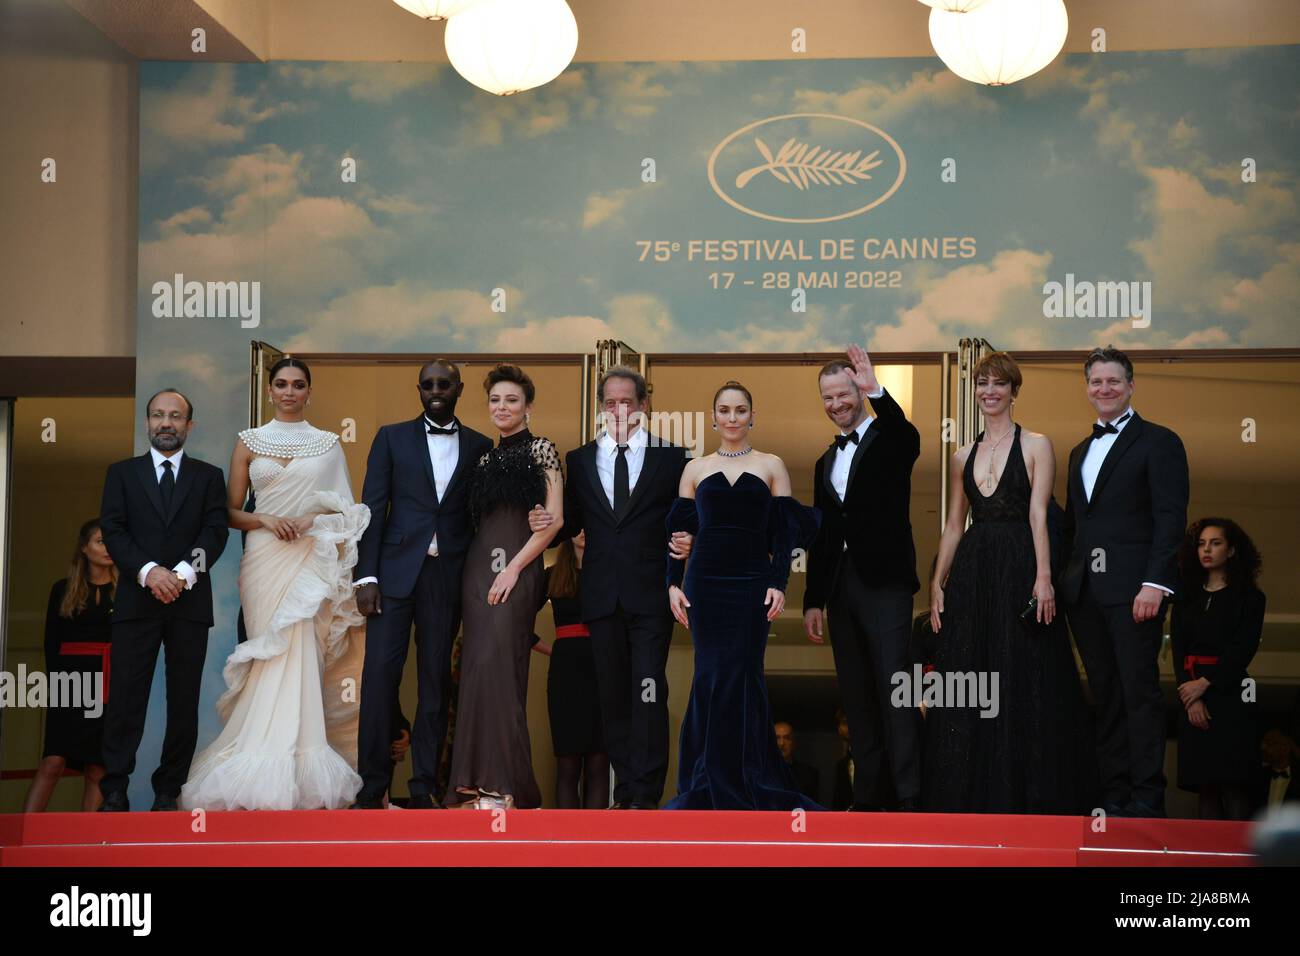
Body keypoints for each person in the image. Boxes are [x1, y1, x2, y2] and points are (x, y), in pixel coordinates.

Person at [181, 358, 370, 810]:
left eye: (298, 385)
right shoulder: (248, 442)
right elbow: (227, 512)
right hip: (264, 558)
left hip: (308, 557)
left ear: (309, 392)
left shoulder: (328, 444)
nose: (289, 391)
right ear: (269, 391)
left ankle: (296, 762)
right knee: (270, 648)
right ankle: (257, 757)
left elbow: (347, 510)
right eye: (281, 384)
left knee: (300, 649)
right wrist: (264, 517)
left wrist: (309, 518)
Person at [925, 351, 1090, 814]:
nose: (989, 391)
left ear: (1014, 391)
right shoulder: (961, 454)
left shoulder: (1038, 444)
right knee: (970, 671)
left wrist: (1044, 578)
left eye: (999, 384)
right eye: (982, 383)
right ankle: (968, 800)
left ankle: (1026, 795)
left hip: (1021, 563)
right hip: (974, 571)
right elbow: (955, 524)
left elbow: (1040, 515)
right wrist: (938, 583)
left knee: (1025, 670)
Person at [530, 366, 690, 810]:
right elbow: (574, 520)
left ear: (643, 405)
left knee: (648, 688)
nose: (619, 410)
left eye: (627, 401)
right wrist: (544, 523)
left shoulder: (673, 458)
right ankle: (625, 795)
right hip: (599, 597)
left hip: (650, 596)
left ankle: (646, 792)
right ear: (602, 408)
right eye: (610, 402)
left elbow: (685, 518)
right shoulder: (580, 459)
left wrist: (689, 540)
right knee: (613, 696)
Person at [665, 380, 821, 811]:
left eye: (740, 410)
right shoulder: (694, 469)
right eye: (724, 410)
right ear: (713, 417)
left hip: (753, 581)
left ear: (753, 416)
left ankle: (750, 776)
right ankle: (704, 778)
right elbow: (678, 535)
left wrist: (779, 583)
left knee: (744, 674)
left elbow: (786, 532)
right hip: (706, 583)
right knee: (709, 675)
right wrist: (673, 584)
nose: (732, 418)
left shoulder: (772, 465)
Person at [351, 359, 493, 810]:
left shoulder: (480, 445)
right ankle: (372, 785)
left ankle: (424, 786)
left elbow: (482, 519)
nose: (436, 390)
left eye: (444, 384)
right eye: (428, 384)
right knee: (378, 679)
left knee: (435, 682)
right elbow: (372, 507)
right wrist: (366, 575)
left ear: (459, 389)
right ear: (419, 390)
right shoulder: (391, 437)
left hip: (445, 578)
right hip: (391, 576)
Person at [1061, 345, 1189, 819]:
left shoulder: (1160, 441)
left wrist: (1156, 583)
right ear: (1088, 389)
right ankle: (1113, 796)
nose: (1105, 389)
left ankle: (1146, 798)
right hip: (1087, 596)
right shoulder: (1078, 451)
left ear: (1131, 385)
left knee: (1139, 693)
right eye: (1096, 382)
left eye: (1114, 381)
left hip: (1137, 592)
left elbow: (1170, 518)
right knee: (1106, 696)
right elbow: (1075, 528)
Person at [97, 388, 229, 812]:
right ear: (148, 422)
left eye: (175, 416)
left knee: (183, 700)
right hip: (137, 601)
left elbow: (215, 532)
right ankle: (114, 788)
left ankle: (167, 791)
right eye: (158, 415)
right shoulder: (121, 473)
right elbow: (114, 530)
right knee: (125, 699)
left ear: (190, 425)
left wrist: (184, 574)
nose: (166, 423)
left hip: (188, 604)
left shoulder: (208, 476)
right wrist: (149, 572)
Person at [803, 345, 921, 812]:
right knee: (857, 697)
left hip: (885, 583)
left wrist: (879, 392)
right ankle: (870, 799)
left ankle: (911, 797)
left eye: (844, 394)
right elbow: (823, 535)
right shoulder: (822, 463)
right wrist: (813, 598)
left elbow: (909, 437)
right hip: (839, 590)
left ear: (859, 391)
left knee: (895, 690)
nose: (837, 404)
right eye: (828, 398)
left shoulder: (889, 437)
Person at [446, 365, 563, 809]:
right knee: (477, 671)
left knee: (503, 673)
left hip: (518, 569)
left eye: (512, 400)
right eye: (495, 400)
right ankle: (473, 783)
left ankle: (506, 786)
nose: (502, 408)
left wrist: (514, 569)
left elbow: (555, 521)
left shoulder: (543, 450)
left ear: (528, 407)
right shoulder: (482, 458)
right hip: (477, 572)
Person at [1172, 517, 1266, 820]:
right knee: (1206, 785)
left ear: (1232, 550)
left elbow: (1243, 649)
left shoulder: (1250, 598)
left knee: (1235, 783)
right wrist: (1193, 695)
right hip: (1191, 696)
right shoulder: (1185, 597)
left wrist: (1206, 683)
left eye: (1215, 543)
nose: (1206, 550)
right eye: (1201, 544)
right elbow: (1178, 651)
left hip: (1231, 696)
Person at [24, 519, 117, 812]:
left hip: (108, 685)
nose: (108, 547)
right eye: (101, 541)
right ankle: (26, 833)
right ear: (84, 547)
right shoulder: (63, 589)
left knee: (97, 769)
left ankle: (87, 845)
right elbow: (51, 643)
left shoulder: (125, 591)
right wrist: (59, 687)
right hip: (70, 685)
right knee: (53, 761)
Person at [537, 532, 609, 808]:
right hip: (565, 670)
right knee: (567, 764)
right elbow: (519, 624)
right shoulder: (551, 574)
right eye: (577, 526)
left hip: (602, 669)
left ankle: (596, 842)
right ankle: (565, 844)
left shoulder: (606, 571)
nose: (583, 532)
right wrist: (552, 649)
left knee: (599, 762)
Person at [773, 722, 820, 802]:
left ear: (793, 742)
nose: (781, 743)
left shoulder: (809, 774)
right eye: (777, 738)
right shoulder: (760, 773)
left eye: (787, 738)